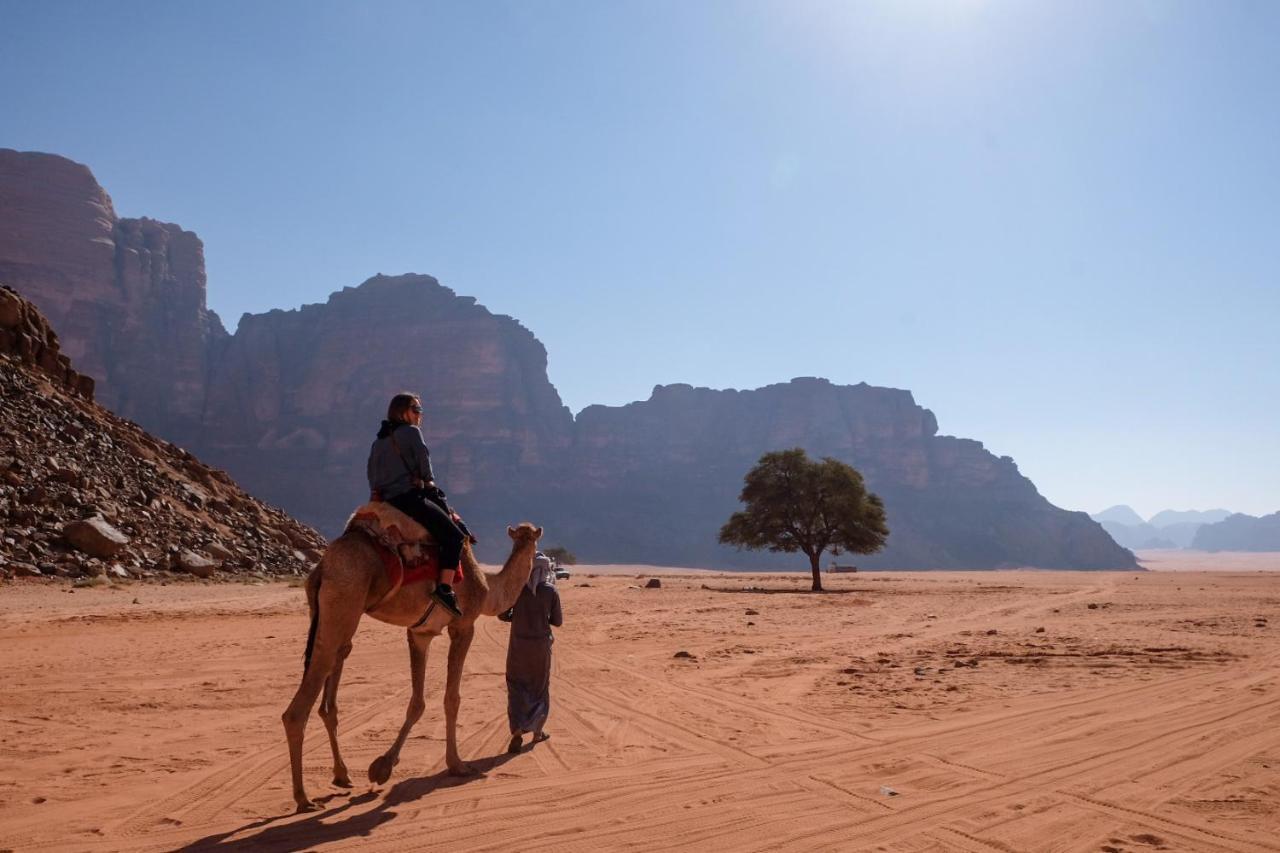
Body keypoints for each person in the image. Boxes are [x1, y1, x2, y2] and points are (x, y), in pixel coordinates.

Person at [367, 392, 471, 618]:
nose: (420, 415)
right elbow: (425, 468)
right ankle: (444, 589)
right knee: (454, 537)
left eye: (419, 411)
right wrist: (426, 482)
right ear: (403, 412)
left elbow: (372, 477)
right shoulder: (412, 432)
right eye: (416, 410)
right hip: (408, 499)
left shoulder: (378, 442)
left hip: (384, 502)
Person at [502, 551, 563, 753]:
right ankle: (537, 731)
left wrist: (518, 616)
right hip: (540, 647)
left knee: (516, 685)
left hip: (518, 646)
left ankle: (517, 731)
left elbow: (502, 614)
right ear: (546, 569)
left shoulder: (517, 589)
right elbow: (558, 621)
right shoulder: (550, 591)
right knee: (539, 686)